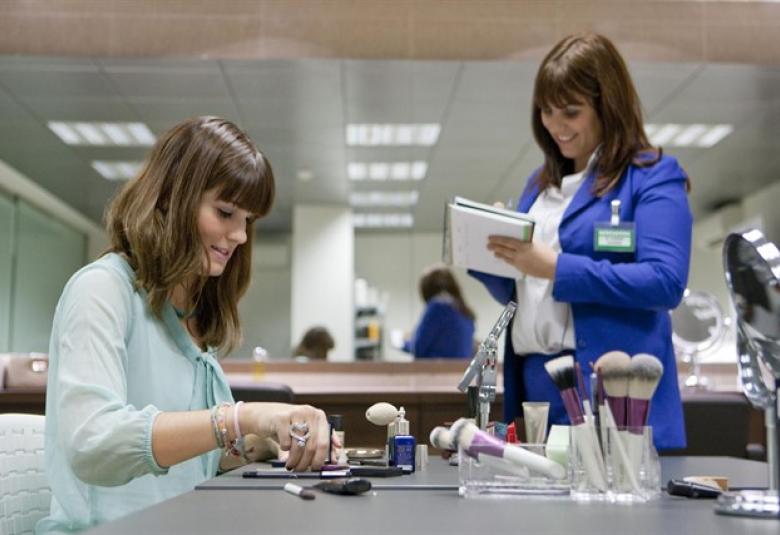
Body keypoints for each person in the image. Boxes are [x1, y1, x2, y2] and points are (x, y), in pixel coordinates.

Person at [38, 117, 334, 534]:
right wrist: (238, 417)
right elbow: (94, 445)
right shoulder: (101, 290)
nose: (240, 236)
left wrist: (272, 441)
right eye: (226, 212)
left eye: (247, 220)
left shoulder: (190, 310)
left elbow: (191, 456)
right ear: (172, 198)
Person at [470, 33, 691, 450]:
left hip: (612, 395)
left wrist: (554, 266)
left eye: (571, 111)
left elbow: (664, 281)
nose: (555, 125)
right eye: (546, 111)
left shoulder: (652, 175)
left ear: (608, 107)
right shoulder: (538, 185)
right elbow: (528, 293)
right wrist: (491, 253)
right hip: (538, 386)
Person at [403, 265, 476, 358]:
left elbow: (418, 348)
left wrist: (405, 342)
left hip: (436, 370)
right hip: (459, 370)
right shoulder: (464, 311)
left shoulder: (437, 308)